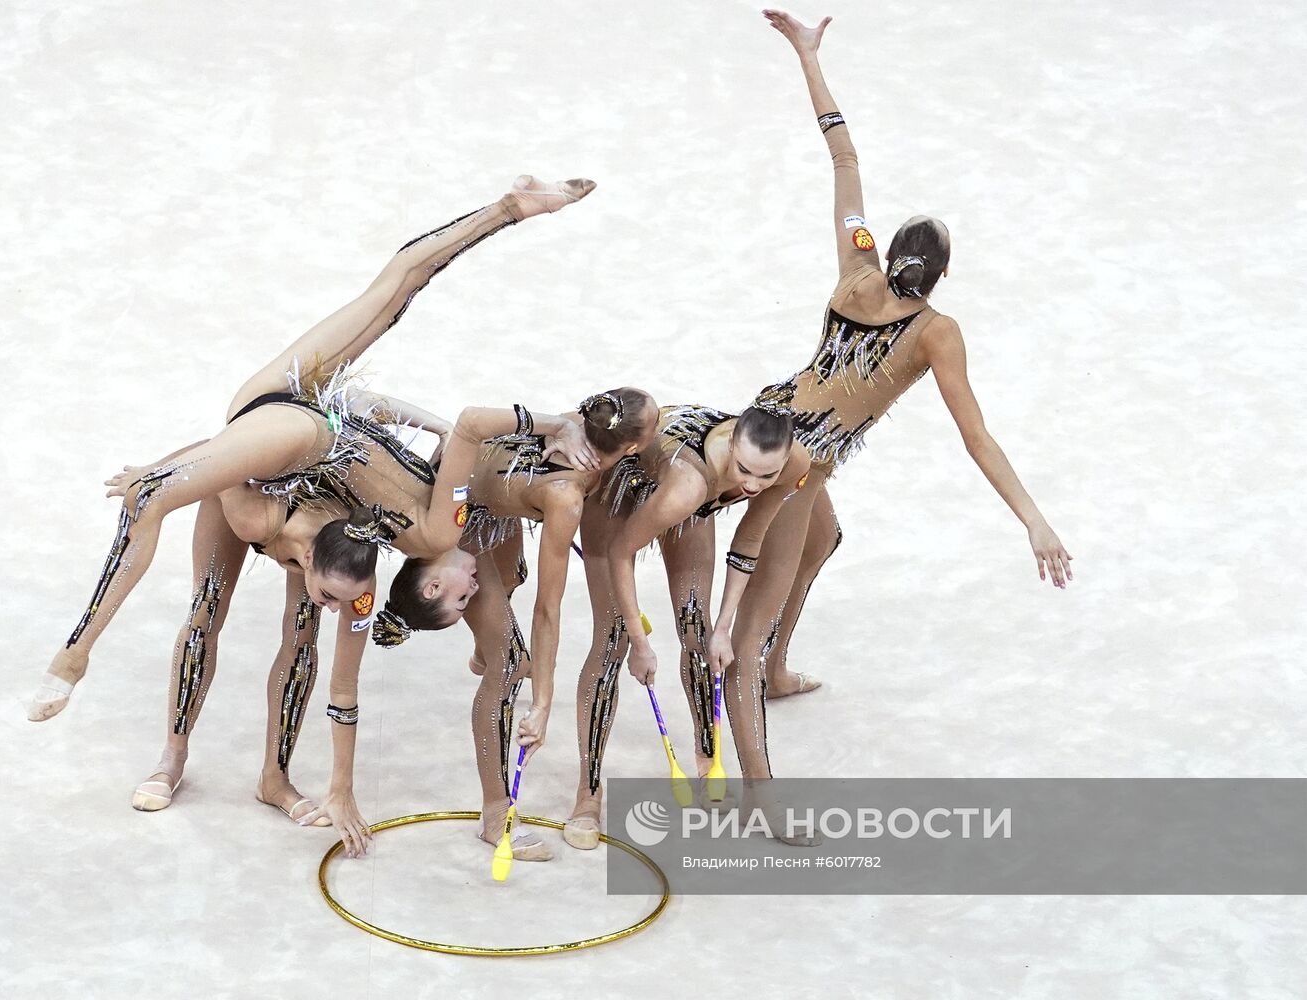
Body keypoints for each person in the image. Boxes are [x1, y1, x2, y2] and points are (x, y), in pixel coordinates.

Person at [28, 176, 597, 843]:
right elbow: (222, 457)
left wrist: (343, 788)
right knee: (201, 590)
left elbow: (345, 692)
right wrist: (160, 475)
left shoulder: (357, 576)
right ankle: (118, 701)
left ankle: (274, 778)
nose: (339, 609)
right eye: (334, 596)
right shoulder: (292, 502)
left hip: (308, 459)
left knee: (301, 635)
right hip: (290, 424)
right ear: (309, 558)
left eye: (342, 601)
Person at [715, 9, 1072, 798]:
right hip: (799, 462)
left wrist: (807, 55)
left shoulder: (856, 265)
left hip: (766, 416)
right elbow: (976, 438)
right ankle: (749, 713)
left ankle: (774, 667)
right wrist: (1033, 519)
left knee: (822, 542)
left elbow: (841, 152)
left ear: (890, 254)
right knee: (759, 596)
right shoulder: (934, 332)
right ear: (940, 275)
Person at [312, 390, 661, 861]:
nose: (470, 592)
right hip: (468, 512)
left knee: (513, 578)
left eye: (461, 600)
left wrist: (555, 427)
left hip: (486, 500)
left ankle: (485, 646)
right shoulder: (563, 490)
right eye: (463, 601)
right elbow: (548, 609)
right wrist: (542, 702)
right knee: (511, 663)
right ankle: (496, 815)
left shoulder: (584, 424)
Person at [563, 397, 810, 848]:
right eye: (744, 470)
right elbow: (621, 551)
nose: (752, 485)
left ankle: (708, 763)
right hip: (619, 493)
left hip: (690, 501)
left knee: (698, 631)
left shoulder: (793, 462)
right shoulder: (690, 483)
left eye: (766, 476)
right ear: (732, 444)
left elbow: (749, 539)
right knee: (613, 640)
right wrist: (640, 641)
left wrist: (724, 627)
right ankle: (588, 794)